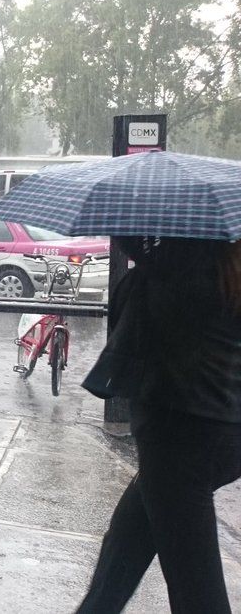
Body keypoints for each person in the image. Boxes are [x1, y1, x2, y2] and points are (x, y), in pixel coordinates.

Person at [78, 237, 241, 613]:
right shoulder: (226, 265)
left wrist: (132, 240)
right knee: (125, 547)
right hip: (221, 431)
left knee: (196, 589)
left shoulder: (177, 269)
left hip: (177, 442)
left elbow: (130, 296)